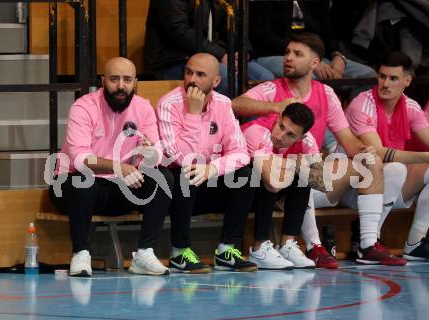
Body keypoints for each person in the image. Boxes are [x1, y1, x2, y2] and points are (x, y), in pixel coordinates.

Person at [232, 32, 406, 266]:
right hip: (273, 178)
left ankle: (368, 244)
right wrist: (274, 107)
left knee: (369, 162)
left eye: (297, 54)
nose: (288, 58)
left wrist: (365, 150)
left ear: (315, 63)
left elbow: (348, 141)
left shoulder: (326, 94)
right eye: (287, 53)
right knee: (302, 171)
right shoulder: (273, 89)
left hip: (307, 175)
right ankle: (313, 245)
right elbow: (236, 104)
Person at [49, 57, 174, 277]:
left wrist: (148, 155)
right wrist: (118, 167)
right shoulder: (83, 107)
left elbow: (156, 156)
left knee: (163, 177)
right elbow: (79, 159)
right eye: (114, 79)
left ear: (135, 82)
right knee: (82, 182)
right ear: (103, 80)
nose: (121, 86)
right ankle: (80, 253)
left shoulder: (143, 108)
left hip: (118, 188)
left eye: (127, 80)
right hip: (73, 188)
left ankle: (144, 253)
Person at [156, 53, 257, 273]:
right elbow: (178, 157)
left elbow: (241, 152)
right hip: (177, 190)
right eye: (188, 72)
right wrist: (192, 114)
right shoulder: (169, 104)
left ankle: (227, 250)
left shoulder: (223, 104)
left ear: (216, 81)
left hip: (208, 182)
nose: (192, 79)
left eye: (201, 74)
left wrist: (212, 168)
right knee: (186, 173)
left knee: (247, 175)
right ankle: (179, 252)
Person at [345, 51, 429, 260]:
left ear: (407, 81)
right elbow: (380, 153)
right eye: (382, 76)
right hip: (353, 187)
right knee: (393, 167)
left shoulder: (411, 107)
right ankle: (368, 243)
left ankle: (415, 243)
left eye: (393, 78)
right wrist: (425, 157)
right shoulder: (361, 104)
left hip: (389, 187)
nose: (385, 84)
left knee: (399, 170)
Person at [242, 102, 332, 269]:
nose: (280, 136)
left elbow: (323, 182)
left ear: (301, 137)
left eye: (290, 135)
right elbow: (272, 183)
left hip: (264, 191)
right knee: (267, 176)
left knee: (303, 177)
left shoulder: (307, 140)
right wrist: (295, 164)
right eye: (281, 126)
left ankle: (287, 245)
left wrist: (296, 166)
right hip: (234, 192)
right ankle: (259, 248)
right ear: (278, 118)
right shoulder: (258, 131)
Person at [144, 0, 274, 96]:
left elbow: (233, 25)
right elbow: (179, 31)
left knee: (265, 78)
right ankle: (228, 126)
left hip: (211, 54)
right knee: (226, 79)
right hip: (174, 59)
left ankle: (254, 129)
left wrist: (242, 51)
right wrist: (221, 55)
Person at [249, 0, 376, 81]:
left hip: (316, 57)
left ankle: (349, 120)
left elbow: (328, 32)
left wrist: (338, 55)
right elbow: (263, 37)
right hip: (277, 54)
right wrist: (307, 58)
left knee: (368, 74)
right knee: (309, 75)